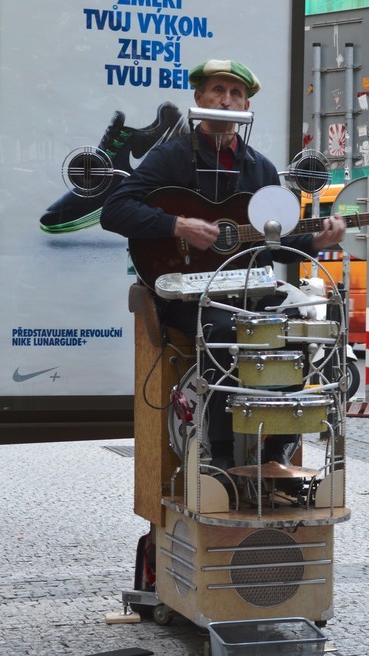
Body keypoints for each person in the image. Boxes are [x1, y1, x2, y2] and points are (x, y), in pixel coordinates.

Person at [101, 58, 346, 467]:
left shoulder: (260, 168)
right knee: (224, 336)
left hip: (246, 291)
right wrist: (177, 225)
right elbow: (114, 211)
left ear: (246, 105)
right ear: (198, 97)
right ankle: (223, 461)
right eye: (218, 90)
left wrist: (317, 239)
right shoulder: (170, 158)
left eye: (236, 94)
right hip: (184, 292)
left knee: (297, 334)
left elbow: (275, 241)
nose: (227, 101)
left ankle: (272, 456)